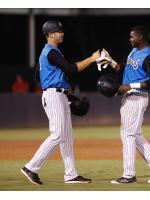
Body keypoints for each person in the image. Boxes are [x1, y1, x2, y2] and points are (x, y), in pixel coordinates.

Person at [21, 20, 100, 185]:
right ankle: (31, 167)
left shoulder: (48, 53)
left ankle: (71, 174)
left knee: (66, 136)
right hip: (53, 96)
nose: (62, 33)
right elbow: (71, 69)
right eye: (58, 31)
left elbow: (37, 76)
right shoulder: (51, 52)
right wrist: (92, 59)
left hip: (59, 94)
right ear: (50, 34)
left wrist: (61, 89)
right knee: (57, 134)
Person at [102, 26, 150, 184]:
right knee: (135, 135)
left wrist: (131, 86)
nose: (130, 39)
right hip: (130, 96)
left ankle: (129, 175)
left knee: (127, 135)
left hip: (136, 97)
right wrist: (111, 61)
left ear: (141, 37)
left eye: (133, 36)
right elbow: (127, 71)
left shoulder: (148, 56)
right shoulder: (134, 52)